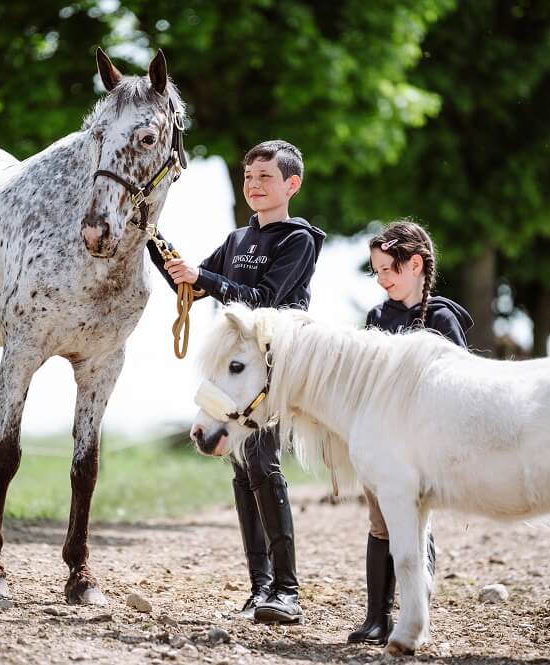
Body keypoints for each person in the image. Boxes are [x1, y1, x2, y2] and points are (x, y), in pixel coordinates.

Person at [148, 140, 325, 623]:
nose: (253, 185)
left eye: (265, 177)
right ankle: (260, 587)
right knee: (243, 470)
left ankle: (286, 591)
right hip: (236, 372)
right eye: (248, 177)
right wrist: (152, 237)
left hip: (273, 373)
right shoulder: (236, 240)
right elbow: (191, 284)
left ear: (291, 184)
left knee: (263, 467)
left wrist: (206, 276)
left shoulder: (299, 240)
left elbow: (265, 298)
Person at [349, 219, 473, 644]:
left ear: (416, 264)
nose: (382, 279)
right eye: (377, 271)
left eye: (389, 270)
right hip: (383, 447)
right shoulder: (375, 318)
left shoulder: (441, 317)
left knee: (417, 527)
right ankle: (375, 618)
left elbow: (462, 381)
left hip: (425, 447)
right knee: (380, 524)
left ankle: (413, 613)